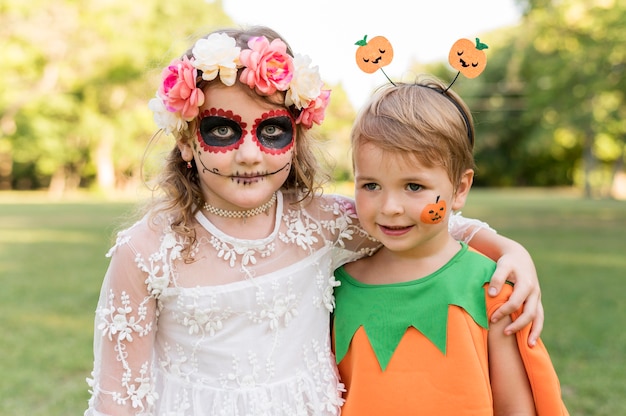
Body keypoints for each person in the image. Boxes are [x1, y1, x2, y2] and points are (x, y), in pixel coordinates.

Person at [85, 26, 545, 416]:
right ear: (186, 140)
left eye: (272, 131)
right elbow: (118, 399)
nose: (249, 155)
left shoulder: (320, 223)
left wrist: (509, 251)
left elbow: (419, 225)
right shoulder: (145, 253)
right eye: (221, 130)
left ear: (297, 134)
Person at [332, 78, 569, 415]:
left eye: (414, 186)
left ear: (460, 188)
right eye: (371, 185)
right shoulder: (338, 286)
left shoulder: (491, 286)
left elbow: (515, 407)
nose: (390, 207)